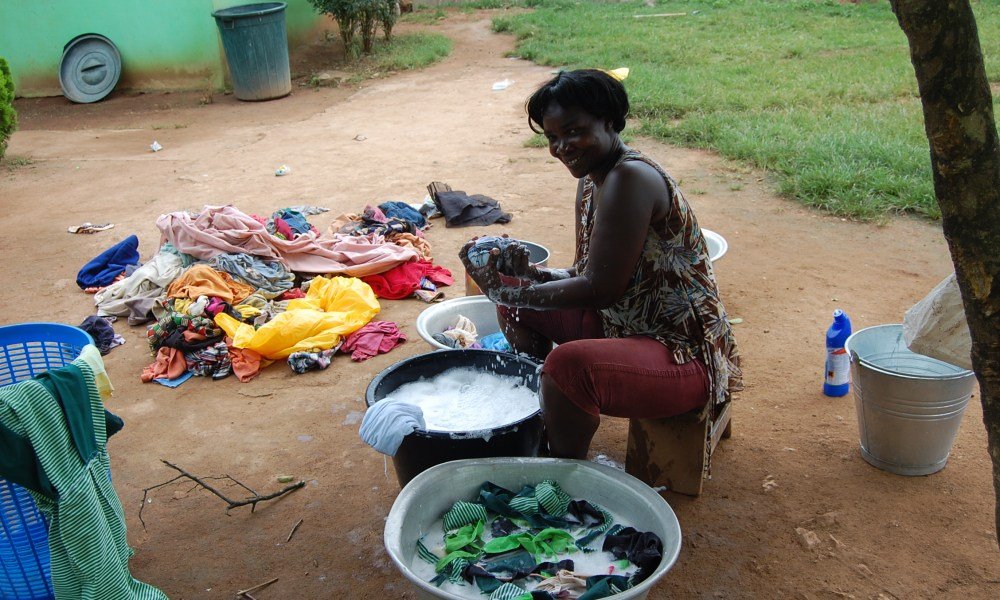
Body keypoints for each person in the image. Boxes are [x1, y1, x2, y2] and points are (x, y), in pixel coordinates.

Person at [460, 69, 742, 460]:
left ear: (610, 121)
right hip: (623, 325)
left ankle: (561, 469)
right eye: (553, 138)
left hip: (681, 352)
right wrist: (528, 276)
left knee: (567, 368)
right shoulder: (592, 178)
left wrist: (503, 287)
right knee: (518, 303)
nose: (562, 147)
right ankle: (547, 410)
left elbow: (601, 289)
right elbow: (584, 273)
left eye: (574, 131)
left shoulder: (631, 177)